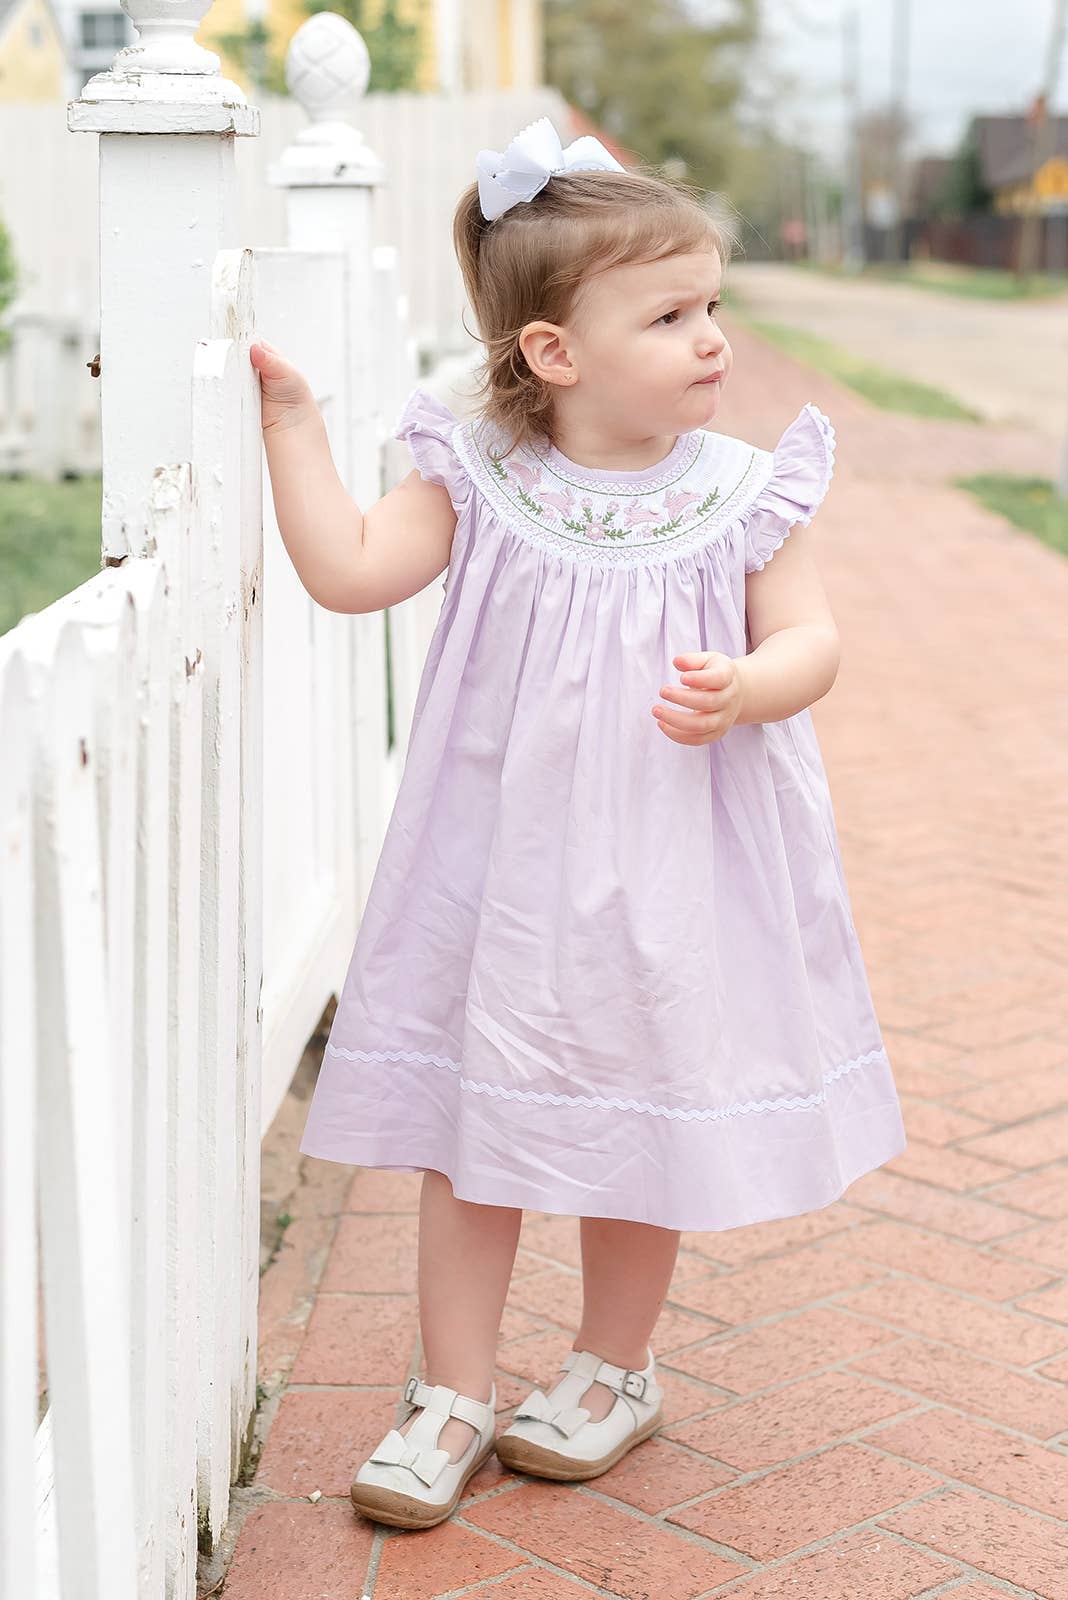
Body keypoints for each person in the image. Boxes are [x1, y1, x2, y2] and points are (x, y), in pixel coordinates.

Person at [250, 115, 907, 1533]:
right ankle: (453, 1389)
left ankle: (614, 1368)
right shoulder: (480, 480)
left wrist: (749, 686)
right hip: (498, 869)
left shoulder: (742, 494)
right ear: (557, 354)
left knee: (642, 1109)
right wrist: (294, 434)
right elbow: (354, 572)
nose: (713, 339)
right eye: (671, 315)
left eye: (712, 303)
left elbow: (814, 644)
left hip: (668, 865)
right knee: (467, 1124)